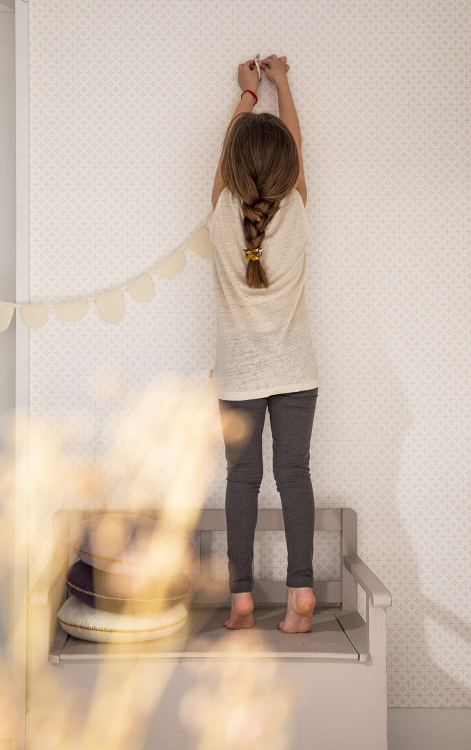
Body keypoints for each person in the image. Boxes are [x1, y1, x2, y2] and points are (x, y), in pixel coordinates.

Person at [209, 55, 320, 634]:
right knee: (293, 476)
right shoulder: (296, 210)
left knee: (242, 481)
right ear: (288, 170)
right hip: (296, 371)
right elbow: (294, 154)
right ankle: (302, 595)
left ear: (230, 168)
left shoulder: (223, 215)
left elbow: (230, 161)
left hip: (238, 376)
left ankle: (242, 601)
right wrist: (281, 83)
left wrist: (247, 96)